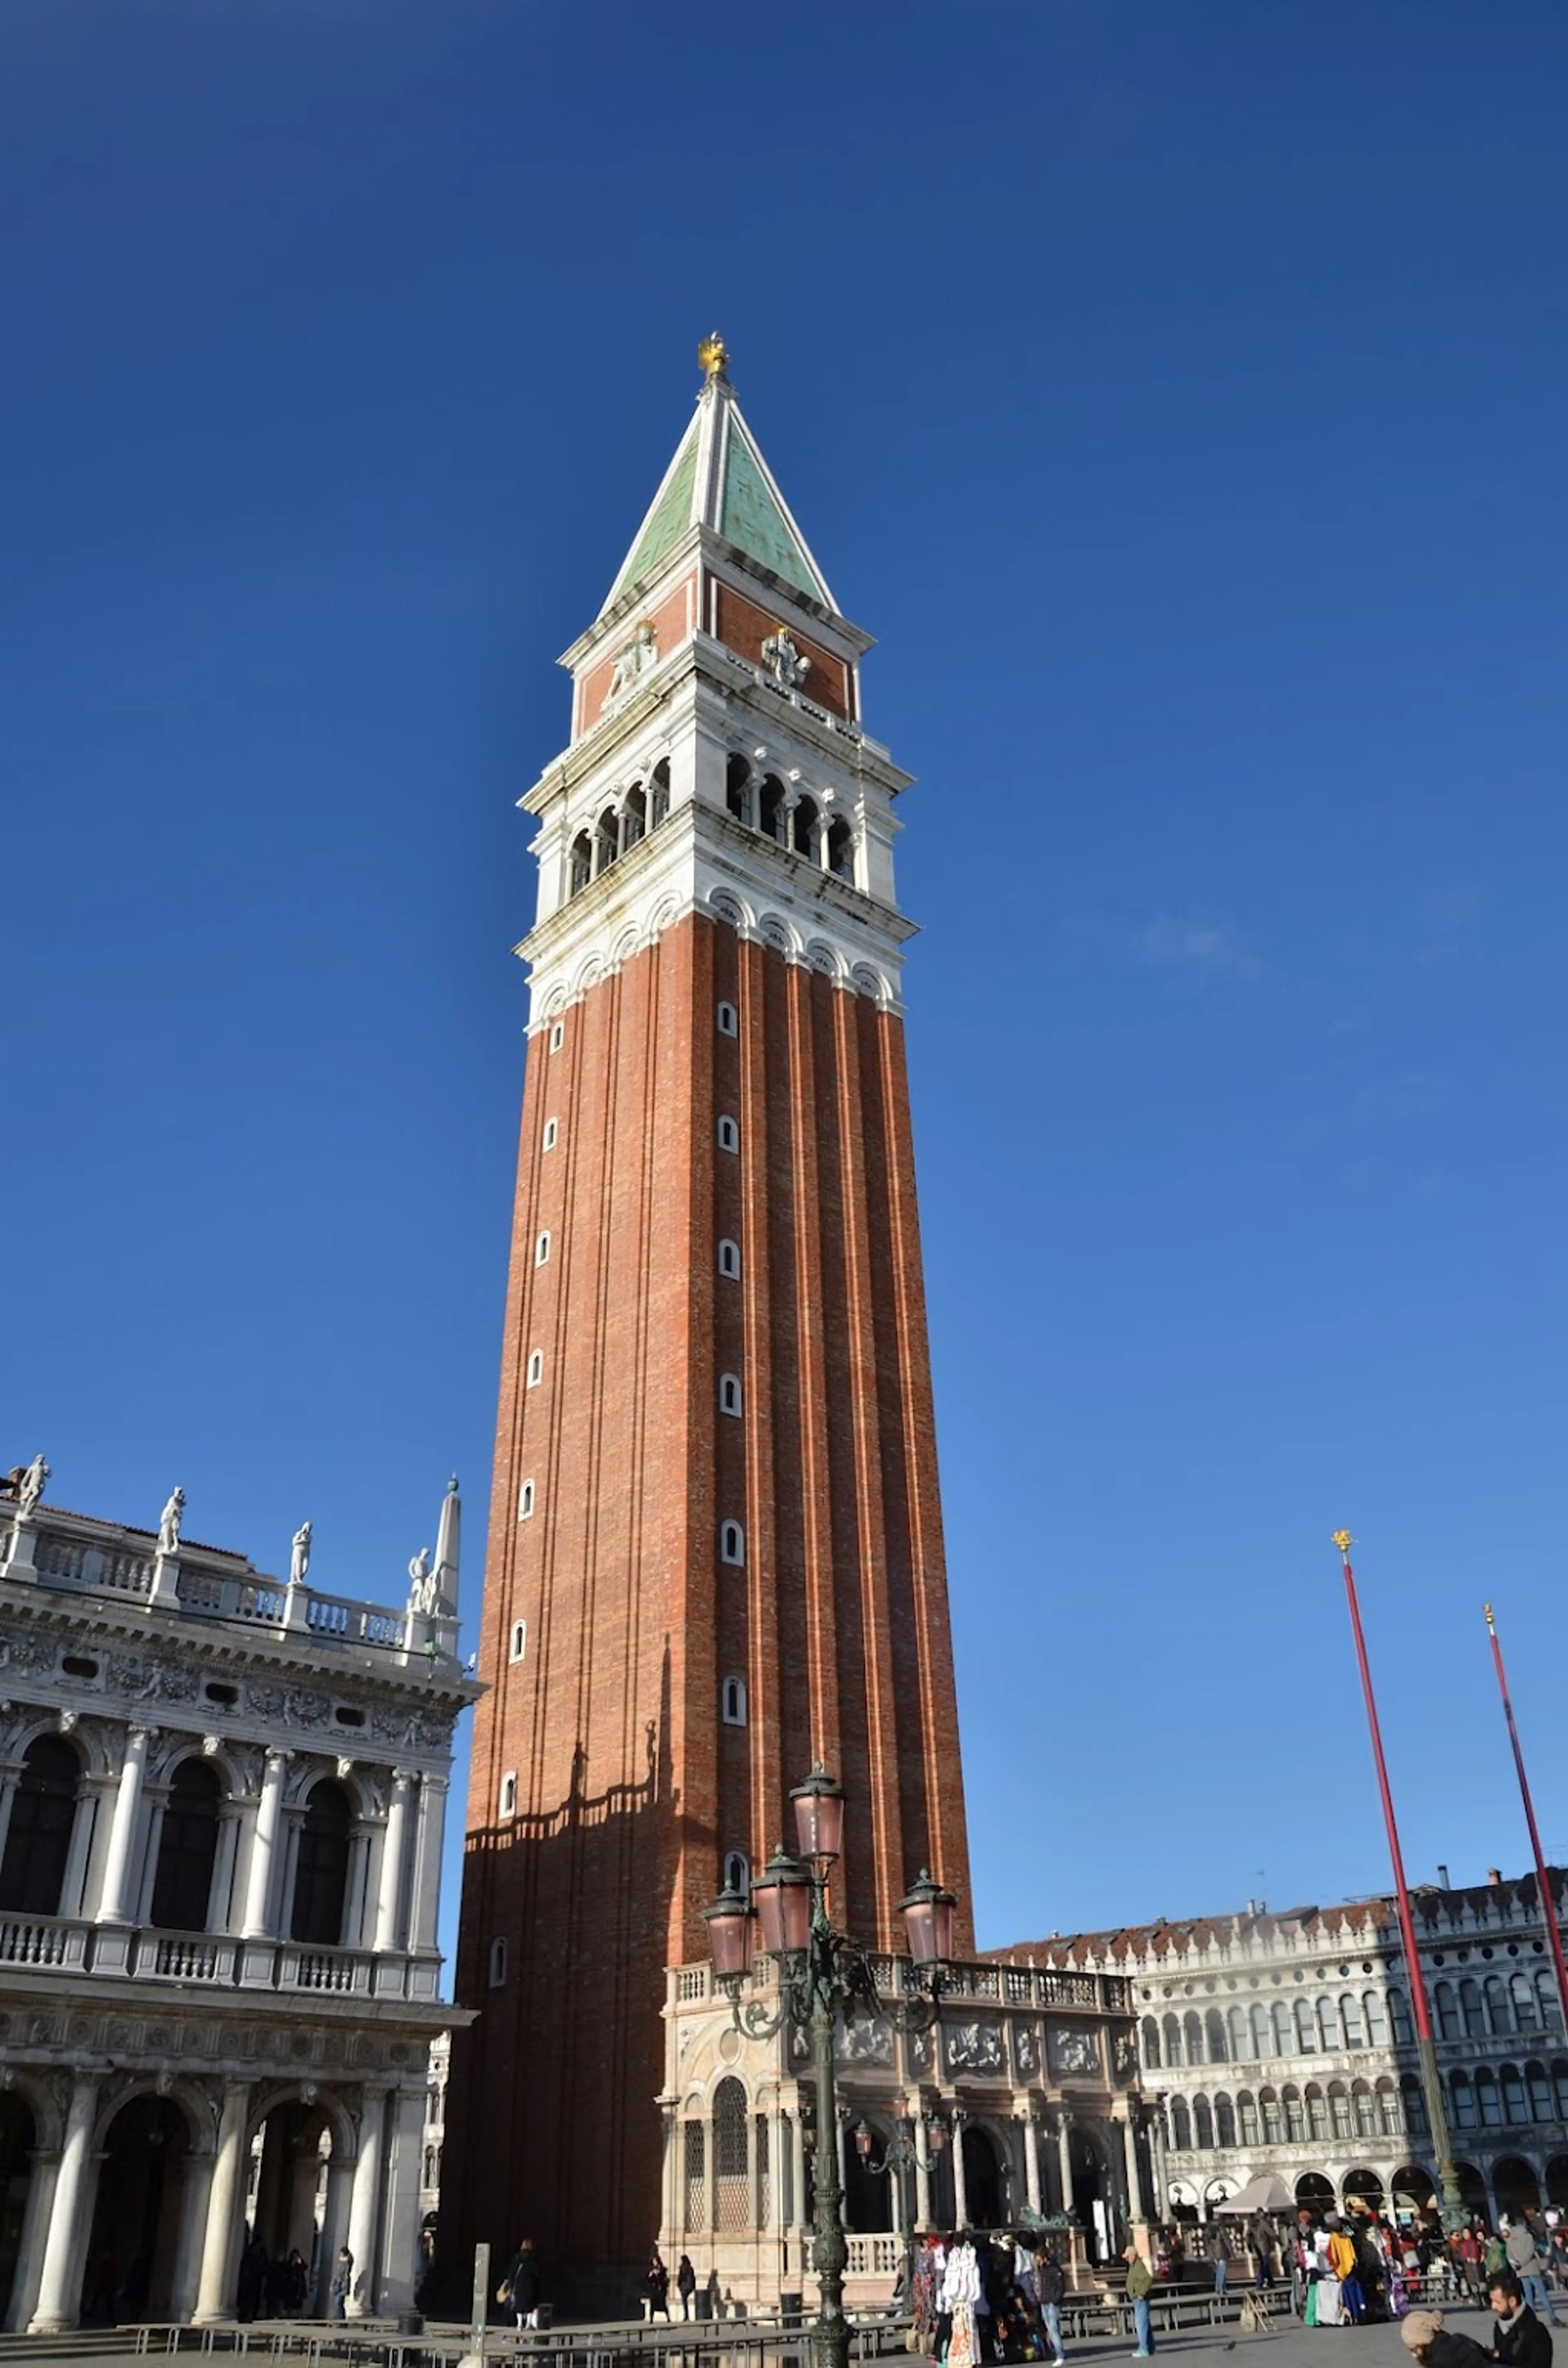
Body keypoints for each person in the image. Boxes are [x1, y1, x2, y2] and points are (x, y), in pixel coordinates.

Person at [1491, 2272, 1555, 2368]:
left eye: (1497, 2302)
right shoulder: (1500, 2327)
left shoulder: (1536, 2331)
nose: (1493, 2306)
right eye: (1492, 2301)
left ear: (1512, 2301)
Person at [1401, 2306, 1495, 2368]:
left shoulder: (1437, 2364)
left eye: (1414, 2350)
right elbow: (1488, 2357)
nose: (1414, 2356)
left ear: (1424, 2341)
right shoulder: (1460, 2339)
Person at [1508, 2222, 1561, 2328]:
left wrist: (1517, 2265)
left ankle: (1531, 2321)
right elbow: (1530, 2252)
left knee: (1529, 2297)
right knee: (1543, 2294)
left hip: (1521, 2271)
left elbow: (1509, 2256)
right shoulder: (1528, 2237)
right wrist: (1523, 2262)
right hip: (1532, 2268)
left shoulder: (1510, 2240)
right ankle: (1552, 2317)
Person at [1035, 2243, 1067, 2366]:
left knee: (1053, 2327)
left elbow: (1061, 2286)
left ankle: (1060, 2355)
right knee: (1050, 2328)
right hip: (1045, 2301)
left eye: (1039, 2259)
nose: (1038, 2262)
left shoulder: (1055, 2269)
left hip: (1053, 2302)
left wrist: (1056, 2299)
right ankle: (1057, 2351)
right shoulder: (1042, 2270)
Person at [505, 2236, 543, 2330]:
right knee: (529, 2306)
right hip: (530, 2286)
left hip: (519, 2285)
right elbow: (536, 2273)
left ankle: (519, 2324)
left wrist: (511, 2284)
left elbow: (512, 2272)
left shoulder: (518, 2257)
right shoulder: (533, 2258)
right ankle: (528, 2324)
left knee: (519, 2305)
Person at [1126, 2245, 1156, 2359]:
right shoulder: (1134, 2266)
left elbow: (1148, 2279)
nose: (1127, 2259)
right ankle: (1150, 2347)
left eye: (1128, 2257)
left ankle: (1143, 2349)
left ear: (1133, 2256)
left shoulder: (1138, 2266)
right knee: (1145, 2323)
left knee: (1141, 2324)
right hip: (1138, 2299)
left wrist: (1141, 2293)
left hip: (1140, 2300)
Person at [330, 2244, 354, 2322]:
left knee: (339, 2303)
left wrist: (344, 2288)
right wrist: (333, 2284)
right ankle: (340, 2319)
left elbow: (346, 2276)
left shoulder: (347, 2264)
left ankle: (340, 2319)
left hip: (343, 2285)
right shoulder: (340, 2263)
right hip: (338, 2284)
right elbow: (336, 2275)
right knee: (338, 2303)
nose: (340, 2255)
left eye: (342, 2253)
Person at [646, 2251, 672, 2321]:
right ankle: (651, 2319)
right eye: (654, 2261)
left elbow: (666, 2279)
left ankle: (668, 2318)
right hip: (654, 2290)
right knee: (653, 2305)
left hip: (661, 2289)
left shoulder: (663, 2270)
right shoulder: (652, 2270)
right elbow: (648, 2280)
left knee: (663, 2304)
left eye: (655, 2261)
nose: (654, 2263)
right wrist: (651, 2275)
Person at [1211, 2224, 1230, 2298]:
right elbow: (1227, 2242)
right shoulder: (1221, 2231)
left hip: (1216, 2254)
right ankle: (1222, 2289)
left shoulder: (1212, 2231)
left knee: (1219, 2272)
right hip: (1222, 2253)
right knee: (1222, 2272)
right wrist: (1231, 2253)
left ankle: (1218, 2289)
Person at [677, 2254, 697, 2319]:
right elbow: (694, 2278)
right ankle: (687, 2316)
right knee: (685, 2301)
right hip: (690, 2287)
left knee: (684, 2301)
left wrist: (679, 2284)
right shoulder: (690, 2268)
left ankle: (686, 2316)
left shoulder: (682, 2267)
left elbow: (681, 2277)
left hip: (684, 2287)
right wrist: (694, 2287)